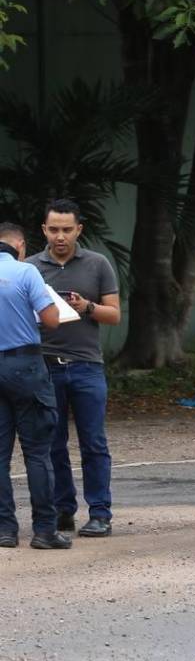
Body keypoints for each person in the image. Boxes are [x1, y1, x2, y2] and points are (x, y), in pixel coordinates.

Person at [32, 199, 122, 537]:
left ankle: (100, 512)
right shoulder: (30, 268)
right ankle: (62, 511)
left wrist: (87, 307)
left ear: (78, 230)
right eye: (53, 229)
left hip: (86, 366)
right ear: (44, 230)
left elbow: (114, 315)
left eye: (67, 230)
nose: (60, 236)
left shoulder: (98, 264)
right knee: (51, 443)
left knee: (93, 442)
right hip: (44, 367)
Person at [0, 222, 69, 549]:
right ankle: (44, 530)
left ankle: (5, 530)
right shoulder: (26, 273)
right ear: (21, 246)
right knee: (37, 453)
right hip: (25, 366)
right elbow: (53, 320)